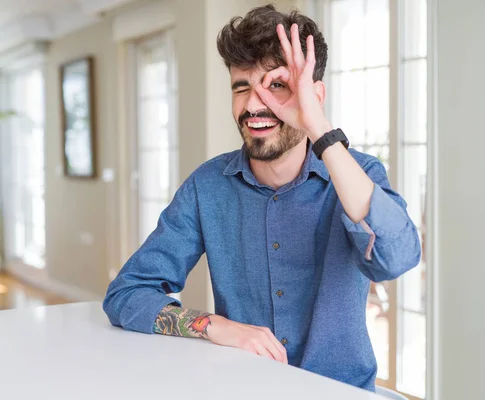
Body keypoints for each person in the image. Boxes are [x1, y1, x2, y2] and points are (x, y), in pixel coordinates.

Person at [103, 5, 421, 392]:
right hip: (244, 389)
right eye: (242, 88)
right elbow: (127, 293)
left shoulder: (358, 175)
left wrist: (317, 126)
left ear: (313, 95)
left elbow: (397, 256)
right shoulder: (207, 187)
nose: (255, 105)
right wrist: (216, 327)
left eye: (276, 86)